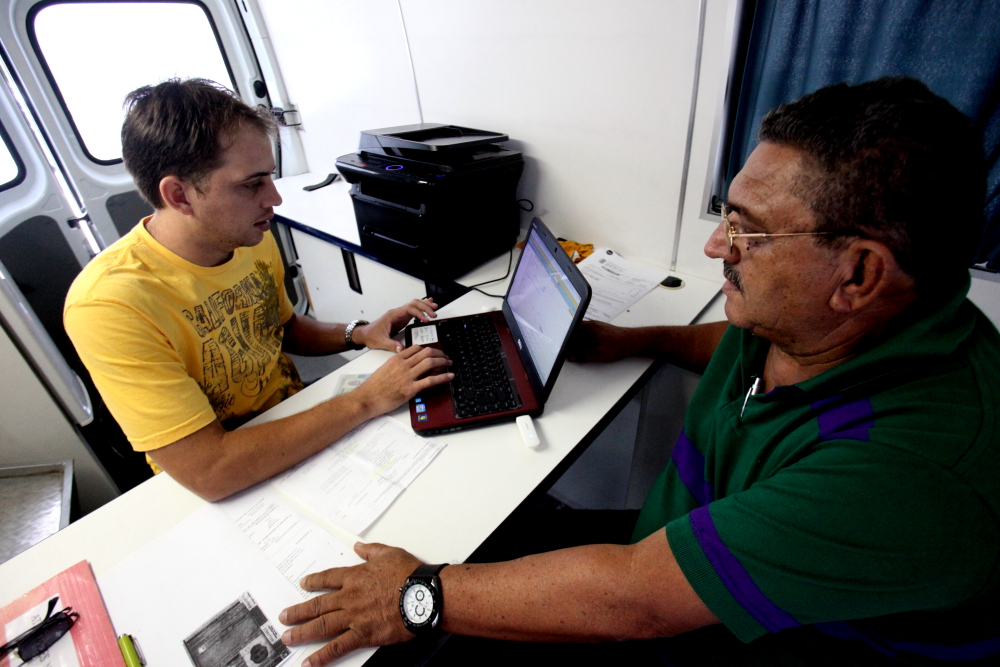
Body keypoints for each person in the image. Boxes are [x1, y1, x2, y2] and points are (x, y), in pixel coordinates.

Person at [277, 77, 1000, 667]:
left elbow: (638, 603)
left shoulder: (910, 468)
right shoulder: (825, 324)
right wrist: (630, 340)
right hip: (676, 541)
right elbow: (744, 348)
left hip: (736, 625)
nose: (718, 245)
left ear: (860, 273)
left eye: (747, 227)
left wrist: (416, 598)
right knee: (492, 547)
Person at [64, 79, 453, 502]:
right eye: (252, 184)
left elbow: (281, 328)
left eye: (269, 176)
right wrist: (366, 400)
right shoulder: (108, 305)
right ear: (179, 195)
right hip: (228, 475)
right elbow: (209, 472)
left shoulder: (247, 235)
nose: (275, 198)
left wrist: (358, 333)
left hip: (294, 420)